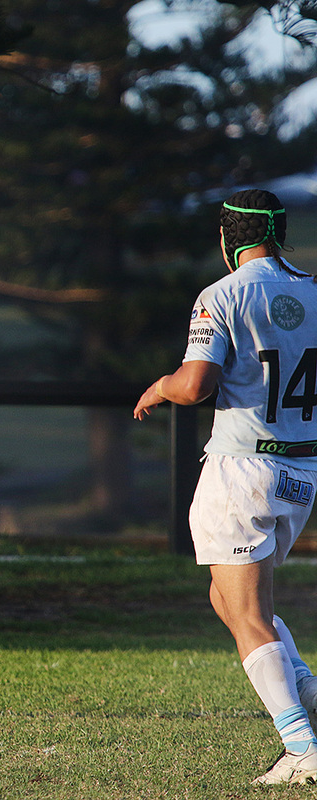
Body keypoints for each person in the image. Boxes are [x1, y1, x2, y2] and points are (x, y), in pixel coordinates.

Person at [134, 189, 317, 785]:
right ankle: (310, 694)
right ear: (280, 234)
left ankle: (302, 749)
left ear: (226, 239)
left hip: (242, 468)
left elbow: (196, 386)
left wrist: (160, 385)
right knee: (230, 602)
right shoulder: (315, 292)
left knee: (245, 612)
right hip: (301, 472)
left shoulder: (224, 294)